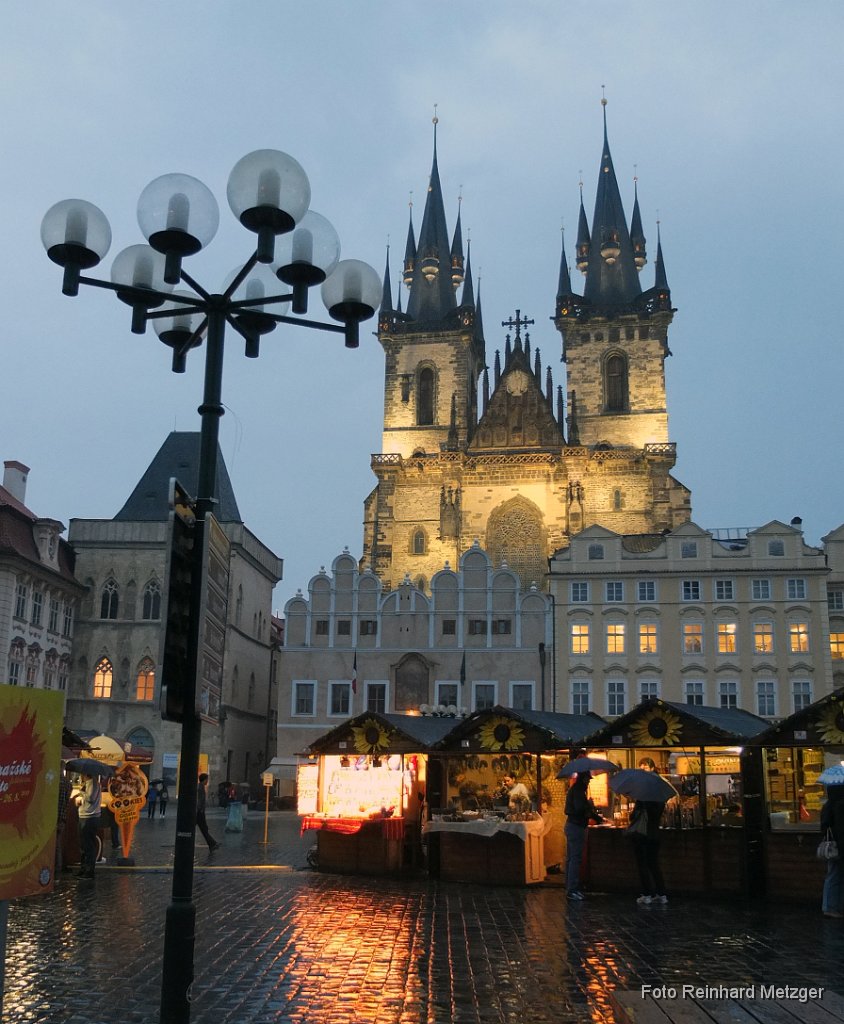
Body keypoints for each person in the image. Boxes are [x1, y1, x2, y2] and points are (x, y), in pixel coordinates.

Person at [564, 771, 604, 901]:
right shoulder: (578, 791)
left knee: (571, 859)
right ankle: (572, 890)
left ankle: (570, 887)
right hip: (576, 827)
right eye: (588, 779)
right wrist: (591, 807)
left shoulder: (576, 790)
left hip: (572, 826)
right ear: (584, 779)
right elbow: (580, 809)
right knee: (575, 859)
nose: (589, 782)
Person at [629, 799, 668, 905]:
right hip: (655, 835)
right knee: (654, 864)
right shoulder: (660, 801)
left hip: (642, 836)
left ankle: (647, 894)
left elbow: (632, 817)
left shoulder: (642, 800)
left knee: (642, 865)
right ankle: (662, 894)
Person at [72, 773, 102, 879]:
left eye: (82, 774)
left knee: (88, 845)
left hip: (90, 817)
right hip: (85, 816)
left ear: (86, 774)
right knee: (83, 844)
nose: (80, 775)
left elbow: (91, 798)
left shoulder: (93, 784)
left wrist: (81, 792)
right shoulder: (88, 783)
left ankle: (89, 871)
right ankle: (83, 868)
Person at [820, 784, 844, 919]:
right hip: (839, 847)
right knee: (835, 876)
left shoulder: (828, 805)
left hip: (832, 846)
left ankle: (831, 906)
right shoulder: (840, 805)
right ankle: (830, 907)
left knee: (833, 875)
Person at [196, 773, 220, 851]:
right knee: (204, 828)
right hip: (200, 812)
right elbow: (200, 800)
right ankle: (212, 844)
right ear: (204, 779)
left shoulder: (201, 786)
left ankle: (212, 844)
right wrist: (200, 809)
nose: (207, 781)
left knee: (204, 829)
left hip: (200, 811)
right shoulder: (200, 787)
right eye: (207, 779)